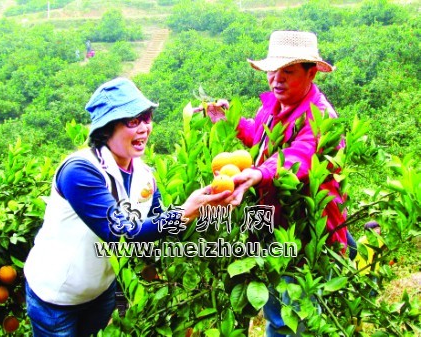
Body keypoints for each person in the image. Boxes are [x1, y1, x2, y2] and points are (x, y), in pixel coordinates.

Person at [23, 77, 230, 337]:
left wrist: (210, 202)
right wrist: (184, 212)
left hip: (101, 292)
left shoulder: (144, 175)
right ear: (107, 128)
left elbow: (160, 223)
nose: (144, 127)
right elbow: (124, 232)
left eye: (147, 117)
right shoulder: (80, 171)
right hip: (56, 298)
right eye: (133, 120)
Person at [196, 30, 349, 336]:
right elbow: (261, 138)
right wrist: (231, 122)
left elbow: (300, 155)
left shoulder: (320, 116)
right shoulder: (272, 104)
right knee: (276, 309)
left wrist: (261, 172)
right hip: (273, 225)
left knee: (293, 317)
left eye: (288, 72)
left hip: (304, 232)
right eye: (272, 71)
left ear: (311, 73)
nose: (276, 79)